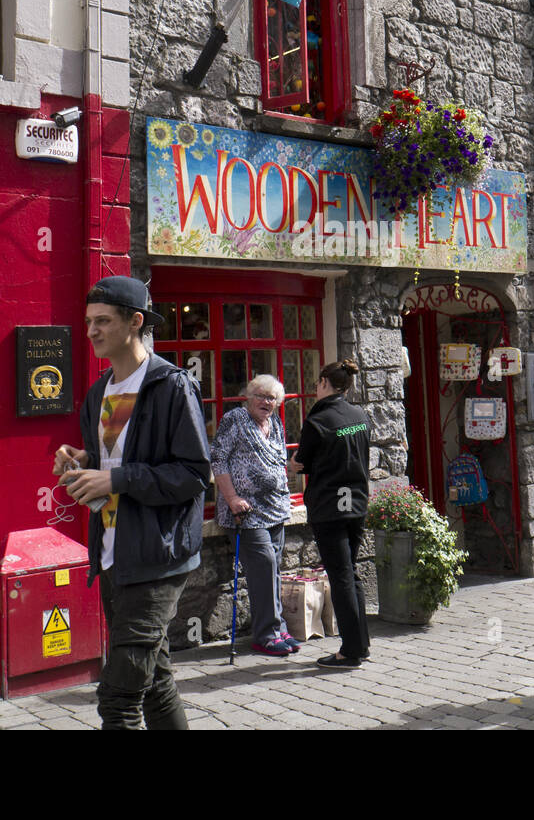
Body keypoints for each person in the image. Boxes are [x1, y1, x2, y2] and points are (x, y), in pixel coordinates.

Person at [53, 276, 210, 730]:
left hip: (157, 560)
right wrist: (79, 460)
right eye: (88, 322)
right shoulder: (98, 393)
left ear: (135, 322)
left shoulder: (171, 386)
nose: (91, 331)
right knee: (156, 684)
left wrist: (114, 479)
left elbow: (194, 475)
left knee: (118, 698)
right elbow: (110, 460)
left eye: (102, 321)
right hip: (112, 556)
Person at [287, 360, 370, 669]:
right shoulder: (360, 415)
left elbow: (301, 461)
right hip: (356, 504)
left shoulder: (318, 420)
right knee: (352, 572)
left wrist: (295, 464)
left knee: (341, 576)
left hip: (330, 507)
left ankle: (349, 651)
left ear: (324, 383)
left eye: (317, 382)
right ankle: (361, 643)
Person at [211, 375, 298, 657]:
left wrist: (285, 491)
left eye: (272, 398)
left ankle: (277, 626)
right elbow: (218, 459)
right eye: (260, 396)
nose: (266, 402)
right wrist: (232, 498)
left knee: (273, 569)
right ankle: (265, 634)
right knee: (263, 568)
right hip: (246, 512)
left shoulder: (275, 423)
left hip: (276, 508)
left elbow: (280, 460)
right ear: (248, 397)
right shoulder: (235, 419)